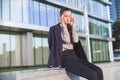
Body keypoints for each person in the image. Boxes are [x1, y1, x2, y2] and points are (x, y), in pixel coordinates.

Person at [48, 7, 103, 80]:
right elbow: (66, 40)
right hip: (65, 58)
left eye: (70, 16)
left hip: (74, 56)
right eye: (66, 16)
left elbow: (76, 40)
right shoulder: (54, 29)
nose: (68, 18)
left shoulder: (70, 28)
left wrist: (73, 26)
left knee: (98, 71)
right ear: (61, 16)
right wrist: (64, 26)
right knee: (92, 74)